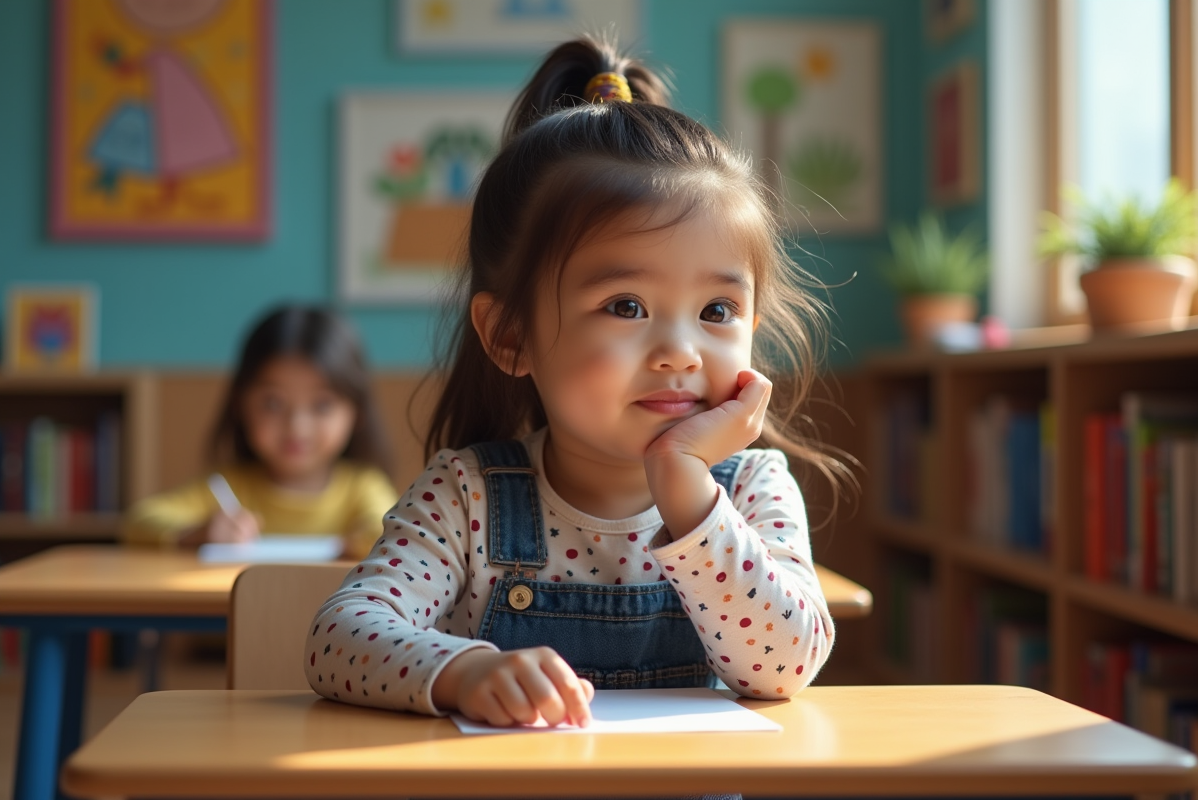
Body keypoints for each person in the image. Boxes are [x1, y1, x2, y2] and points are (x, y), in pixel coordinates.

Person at [305, 35, 850, 731]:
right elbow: (337, 639)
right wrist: (461, 670)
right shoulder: (466, 496)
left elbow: (784, 667)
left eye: (717, 311)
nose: (680, 353)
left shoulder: (752, 488)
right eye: (626, 306)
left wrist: (687, 488)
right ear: (511, 335)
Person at [123, 305, 398, 561]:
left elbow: (389, 533)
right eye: (273, 403)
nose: (296, 427)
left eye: (322, 405)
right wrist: (196, 533)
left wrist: (368, 540)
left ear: (357, 412)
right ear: (240, 405)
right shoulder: (227, 487)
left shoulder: (363, 488)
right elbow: (139, 521)